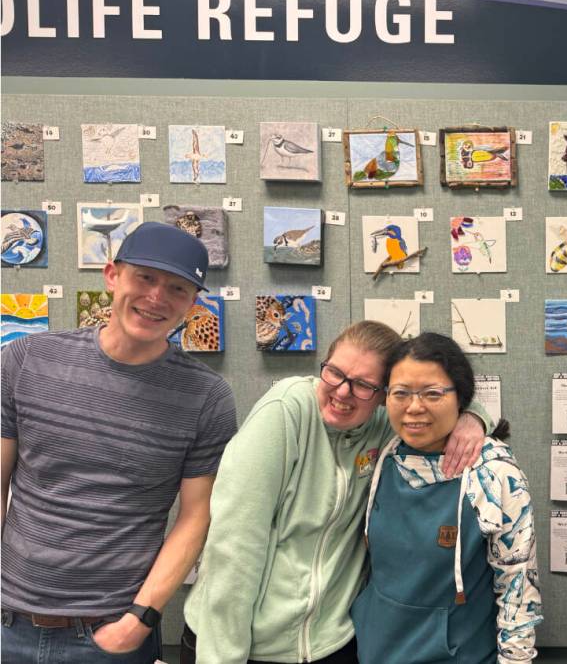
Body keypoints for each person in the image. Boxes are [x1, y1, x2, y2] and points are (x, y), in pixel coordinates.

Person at [182, 322, 494, 663]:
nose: (343, 392)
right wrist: (223, 657)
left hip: (331, 644)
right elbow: (235, 546)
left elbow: (438, 401)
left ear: (384, 395)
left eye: (363, 385)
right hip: (245, 645)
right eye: (334, 373)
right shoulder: (287, 410)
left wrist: (472, 417)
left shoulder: (384, 428)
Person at [1, 222, 237, 663]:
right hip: (8, 625)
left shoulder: (207, 398)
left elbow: (195, 516)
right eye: (145, 277)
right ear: (112, 275)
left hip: (111, 635)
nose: (157, 298)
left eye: (177, 288)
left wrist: (140, 619)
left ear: (192, 304)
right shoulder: (25, 361)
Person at [352, 332, 541, 663]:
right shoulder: (381, 453)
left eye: (432, 393)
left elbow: (517, 587)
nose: (414, 407)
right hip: (375, 650)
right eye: (401, 393)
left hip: (459, 653)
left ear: (460, 397)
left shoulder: (493, 473)